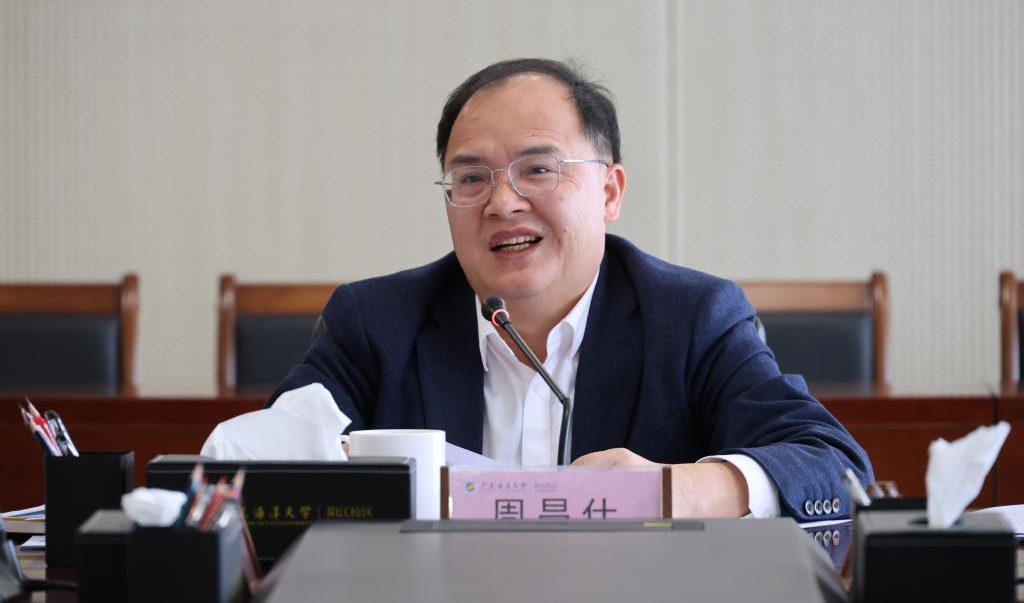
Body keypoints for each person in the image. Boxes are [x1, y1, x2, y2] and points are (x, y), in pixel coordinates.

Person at [269, 58, 873, 519]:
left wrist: (674, 489)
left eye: (538, 169)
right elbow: (264, 468)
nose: (502, 203)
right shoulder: (376, 321)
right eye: (472, 178)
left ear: (609, 192)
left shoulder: (690, 317)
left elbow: (833, 467)